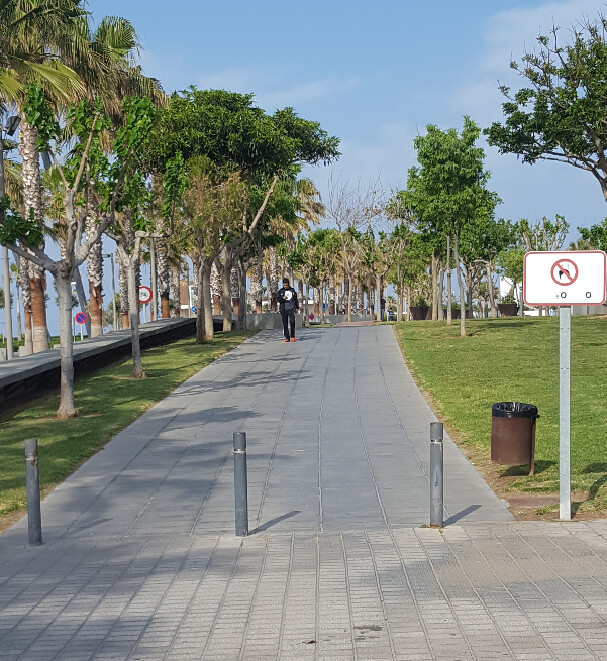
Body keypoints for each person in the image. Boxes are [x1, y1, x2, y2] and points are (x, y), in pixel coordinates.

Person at [277, 277, 299, 342]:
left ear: (288, 284)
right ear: (283, 284)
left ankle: (293, 336)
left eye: (286, 285)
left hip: (291, 309)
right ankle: (287, 337)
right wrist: (282, 298)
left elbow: (296, 299)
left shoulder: (292, 290)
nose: (285, 286)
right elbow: (278, 300)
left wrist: (297, 307)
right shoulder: (280, 291)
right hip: (284, 310)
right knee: (285, 324)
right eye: (284, 285)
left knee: (292, 321)